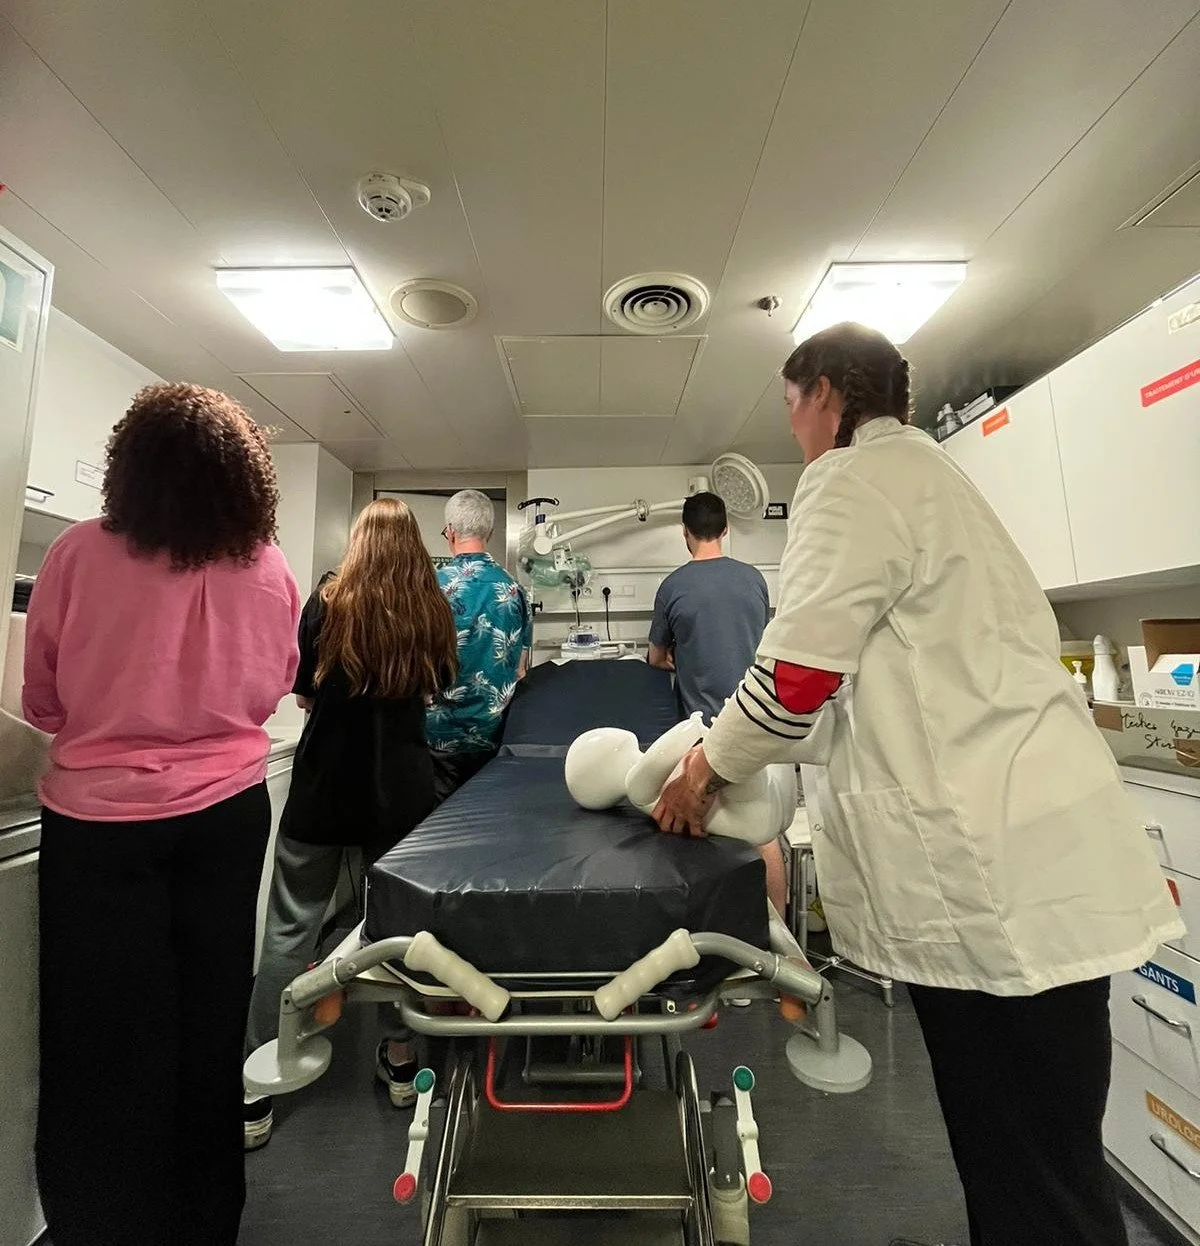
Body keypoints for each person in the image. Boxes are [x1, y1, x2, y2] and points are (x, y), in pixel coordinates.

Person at [651, 322, 1181, 1246]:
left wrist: (699, 771)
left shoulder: (850, 479)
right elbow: (862, 687)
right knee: (1040, 1151)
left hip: (994, 875)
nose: (793, 433)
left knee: (1031, 1167)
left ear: (824, 395)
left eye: (791, 409)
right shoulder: (937, 478)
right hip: (1041, 854)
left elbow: (797, 678)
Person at [23, 383, 300, 1246]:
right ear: (244, 480)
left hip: (100, 828)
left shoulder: (77, 553)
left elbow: (42, 700)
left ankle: (104, 1225)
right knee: (209, 1024)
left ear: (131, 467)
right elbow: (272, 688)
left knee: (101, 1042)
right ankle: (205, 1221)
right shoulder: (268, 567)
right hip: (226, 817)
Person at [243, 498, 458, 1146]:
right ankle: (401, 1062)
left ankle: (258, 1083)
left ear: (358, 542)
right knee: (392, 931)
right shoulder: (429, 609)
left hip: (323, 791)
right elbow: (434, 692)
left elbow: (304, 696)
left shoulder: (326, 603)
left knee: (290, 933)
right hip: (399, 798)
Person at [648, 491, 785, 915]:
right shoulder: (754, 579)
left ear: (685, 533)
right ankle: (779, 934)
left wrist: (677, 655)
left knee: (690, 825)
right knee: (762, 834)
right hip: (754, 721)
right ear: (725, 529)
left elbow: (655, 657)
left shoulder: (673, 587)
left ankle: (703, 933)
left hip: (702, 732)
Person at [425, 489, 532, 802]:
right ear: (490, 533)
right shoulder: (515, 591)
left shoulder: (428, 588)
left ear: (450, 532)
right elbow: (521, 671)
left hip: (436, 739)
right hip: (494, 741)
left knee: (434, 825)